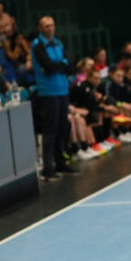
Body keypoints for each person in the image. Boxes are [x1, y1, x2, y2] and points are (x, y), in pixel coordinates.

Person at [31, 15, 76, 181]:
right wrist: (61, 64)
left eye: (52, 25)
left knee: (63, 127)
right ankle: (48, 168)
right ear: (40, 28)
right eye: (46, 26)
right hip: (48, 92)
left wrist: (61, 65)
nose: (50, 28)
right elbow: (47, 66)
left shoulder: (58, 43)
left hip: (62, 89)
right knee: (50, 130)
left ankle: (60, 162)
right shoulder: (37, 45)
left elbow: (69, 65)